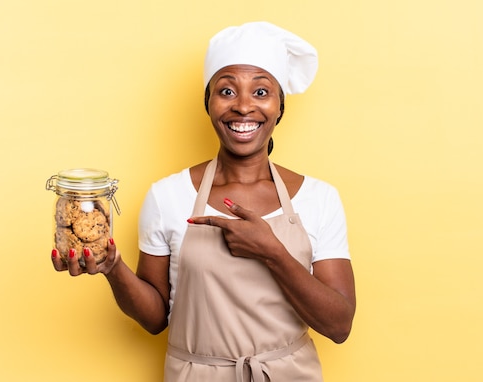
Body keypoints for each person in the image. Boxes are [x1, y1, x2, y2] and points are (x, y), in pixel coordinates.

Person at [52, 21, 356, 382]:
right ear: (208, 103)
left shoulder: (319, 198)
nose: (244, 107)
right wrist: (113, 269)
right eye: (227, 91)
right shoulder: (167, 196)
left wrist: (272, 252)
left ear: (279, 107)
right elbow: (154, 320)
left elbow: (339, 325)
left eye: (261, 92)